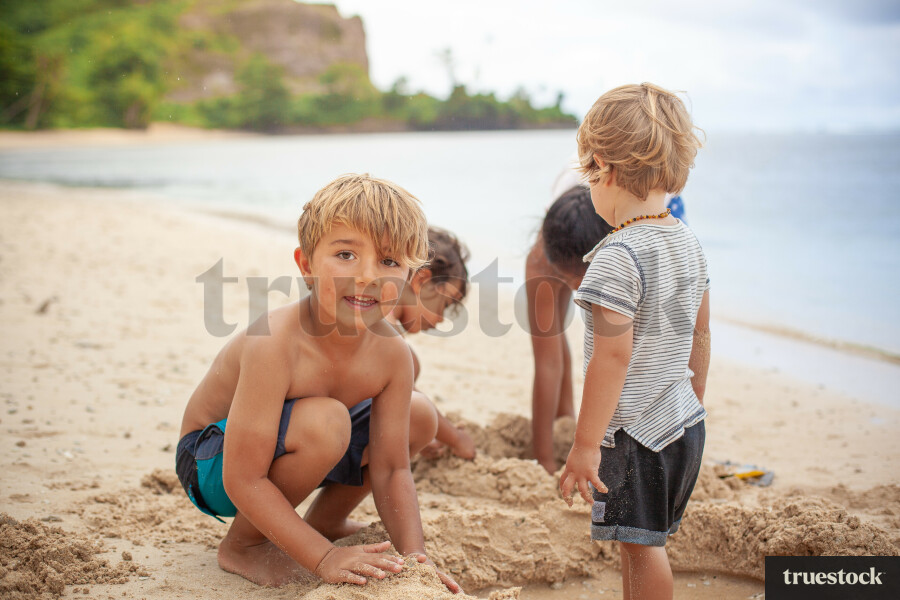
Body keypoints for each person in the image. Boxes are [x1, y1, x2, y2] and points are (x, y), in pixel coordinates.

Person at [176, 173, 461, 593]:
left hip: (293, 448)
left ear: (410, 277)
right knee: (326, 421)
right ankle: (243, 544)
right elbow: (243, 478)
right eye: (346, 255)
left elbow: (392, 467)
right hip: (213, 463)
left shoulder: (393, 355)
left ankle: (322, 523)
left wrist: (415, 558)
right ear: (306, 264)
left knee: (420, 414)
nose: (367, 276)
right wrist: (324, 559)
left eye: (389, 261)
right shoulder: (273, 341)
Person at [558, 83, 710, 600]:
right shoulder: (688, 241)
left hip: (635, 433)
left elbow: (612, 356)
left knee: (643, 550)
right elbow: (701, 334)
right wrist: (694, 403)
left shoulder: (618, 256)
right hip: (683, 419)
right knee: (639, 541)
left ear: (601, 166)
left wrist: (584, 445)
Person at [527, 171, 689, 475]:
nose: (578, 294)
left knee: (628, 343)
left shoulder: (644, 246)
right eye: (567, 281)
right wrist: (544, 461)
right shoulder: (540, 257)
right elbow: (546, 361)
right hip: (582, 207)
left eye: (584, 285)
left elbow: (623, 357)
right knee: (550, 333)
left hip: (649, 202)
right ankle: (564, 420)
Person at [389, 226, 476, 460]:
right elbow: (404, 393)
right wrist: (455, 439)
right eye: (444, 306)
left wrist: (418, 435)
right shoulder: (382, 324)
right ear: (422, 281)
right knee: (407, 365)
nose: (439, 321)